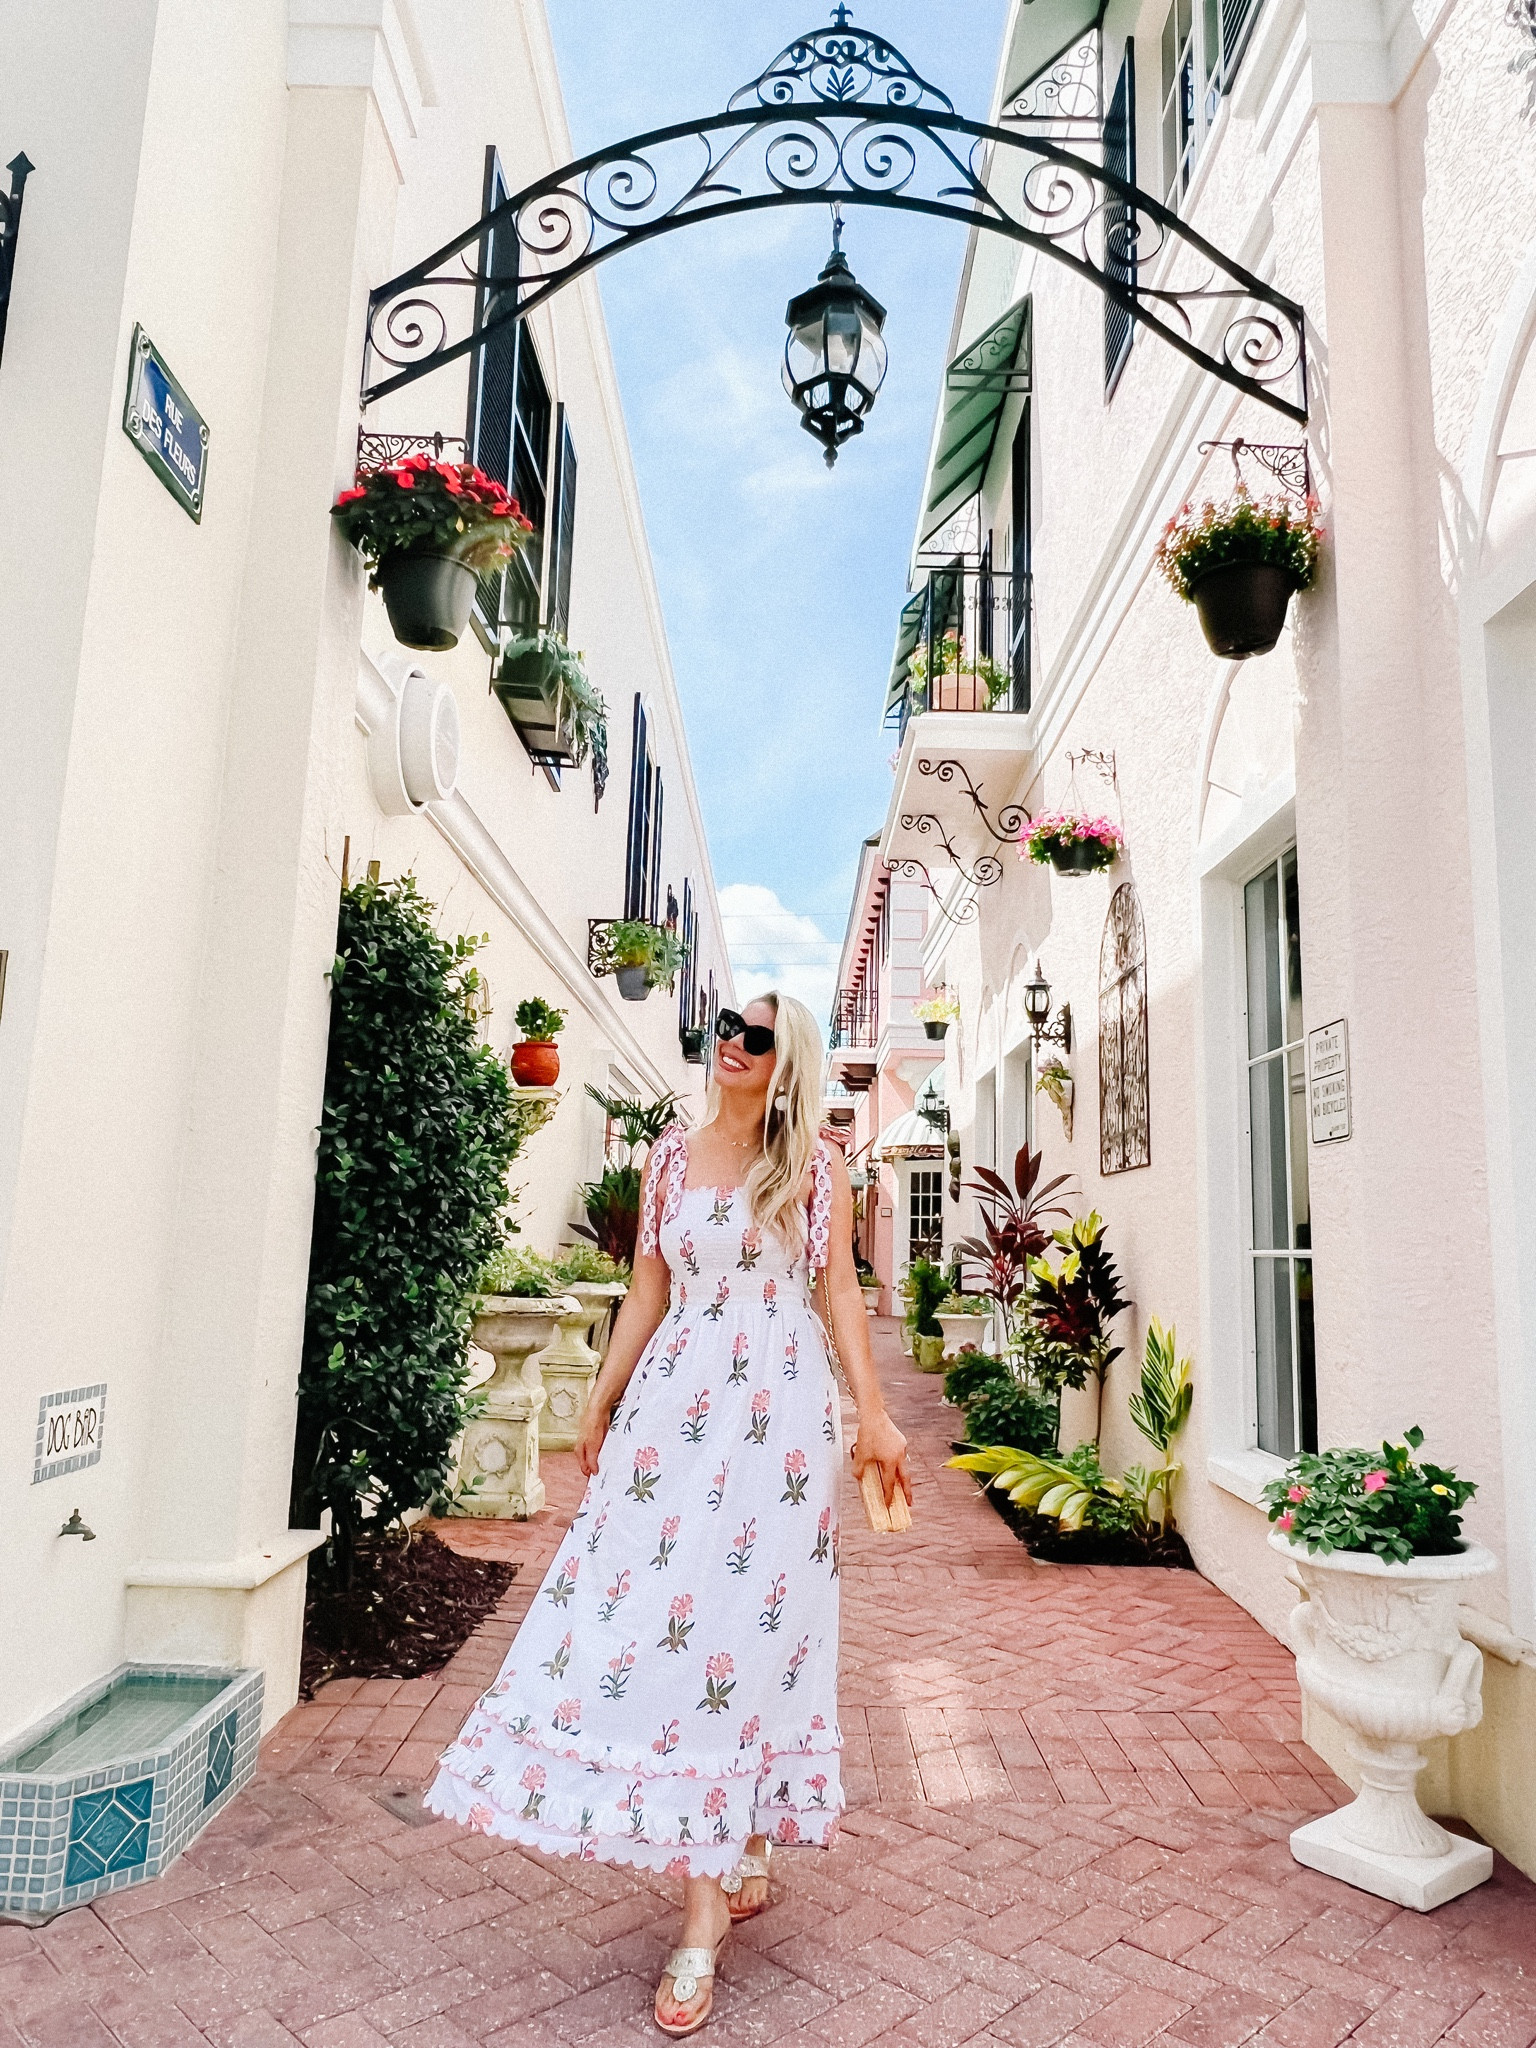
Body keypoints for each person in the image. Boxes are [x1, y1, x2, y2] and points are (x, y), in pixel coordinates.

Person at [425, 992, 911, 2037]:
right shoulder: (668, 1157)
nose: (733, 1041)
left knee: (747, 1639)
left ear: (791, 1063)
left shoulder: (817, 1168)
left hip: (776, 1425)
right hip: (671, 1424)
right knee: (652, 1620)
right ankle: (731, 1842)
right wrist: (600, 1397)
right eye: (730, 1023)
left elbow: (836, 1296)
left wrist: (873, 1415)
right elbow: (646, 1286)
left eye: (761, 1035)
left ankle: (704, 1914)